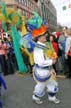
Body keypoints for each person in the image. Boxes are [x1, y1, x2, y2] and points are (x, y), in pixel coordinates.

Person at [32, 25, 60, 104]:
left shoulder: (45, 44)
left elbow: (48, 55)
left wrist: (53, 56)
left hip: (49, 69)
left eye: (45, 34)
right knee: (41, 86)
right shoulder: (37, 47)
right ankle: (35, 97)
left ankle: (52, 97)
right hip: (42, 71)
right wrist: (52, 62)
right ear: (38, 37)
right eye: (43, 35)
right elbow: (40, 62)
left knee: (52, 83)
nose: (45, 36)